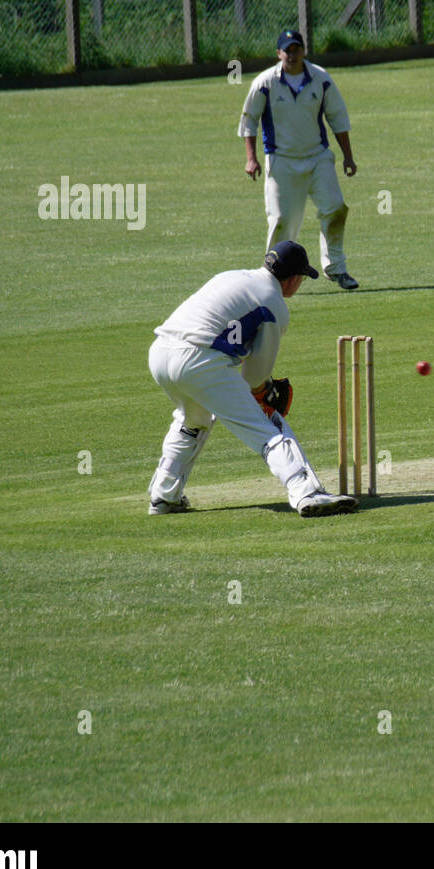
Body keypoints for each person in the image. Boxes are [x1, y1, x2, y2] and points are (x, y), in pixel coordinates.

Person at [147, 240, 357, 517]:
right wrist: (266, 395)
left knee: (193, 422)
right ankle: (308, 493)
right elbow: (254, 377)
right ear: (294, 279)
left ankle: (164, 496)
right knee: (266, 427)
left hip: (160, 353)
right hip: (200, 361)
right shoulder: (275, 305)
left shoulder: (230, 275)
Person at [239, 29, 361, 290]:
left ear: (304, 51)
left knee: (336, 207)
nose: (292, 55)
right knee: (282, 221)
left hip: (318, 157)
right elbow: (249, 120)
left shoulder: (320, 79)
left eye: (296, 49)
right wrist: (252, 159)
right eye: (287, 50)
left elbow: (337, 117)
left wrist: (348, 157)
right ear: (278, 53)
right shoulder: (265, 82)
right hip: (281, 161)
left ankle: (336, 268)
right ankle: (271, 279)